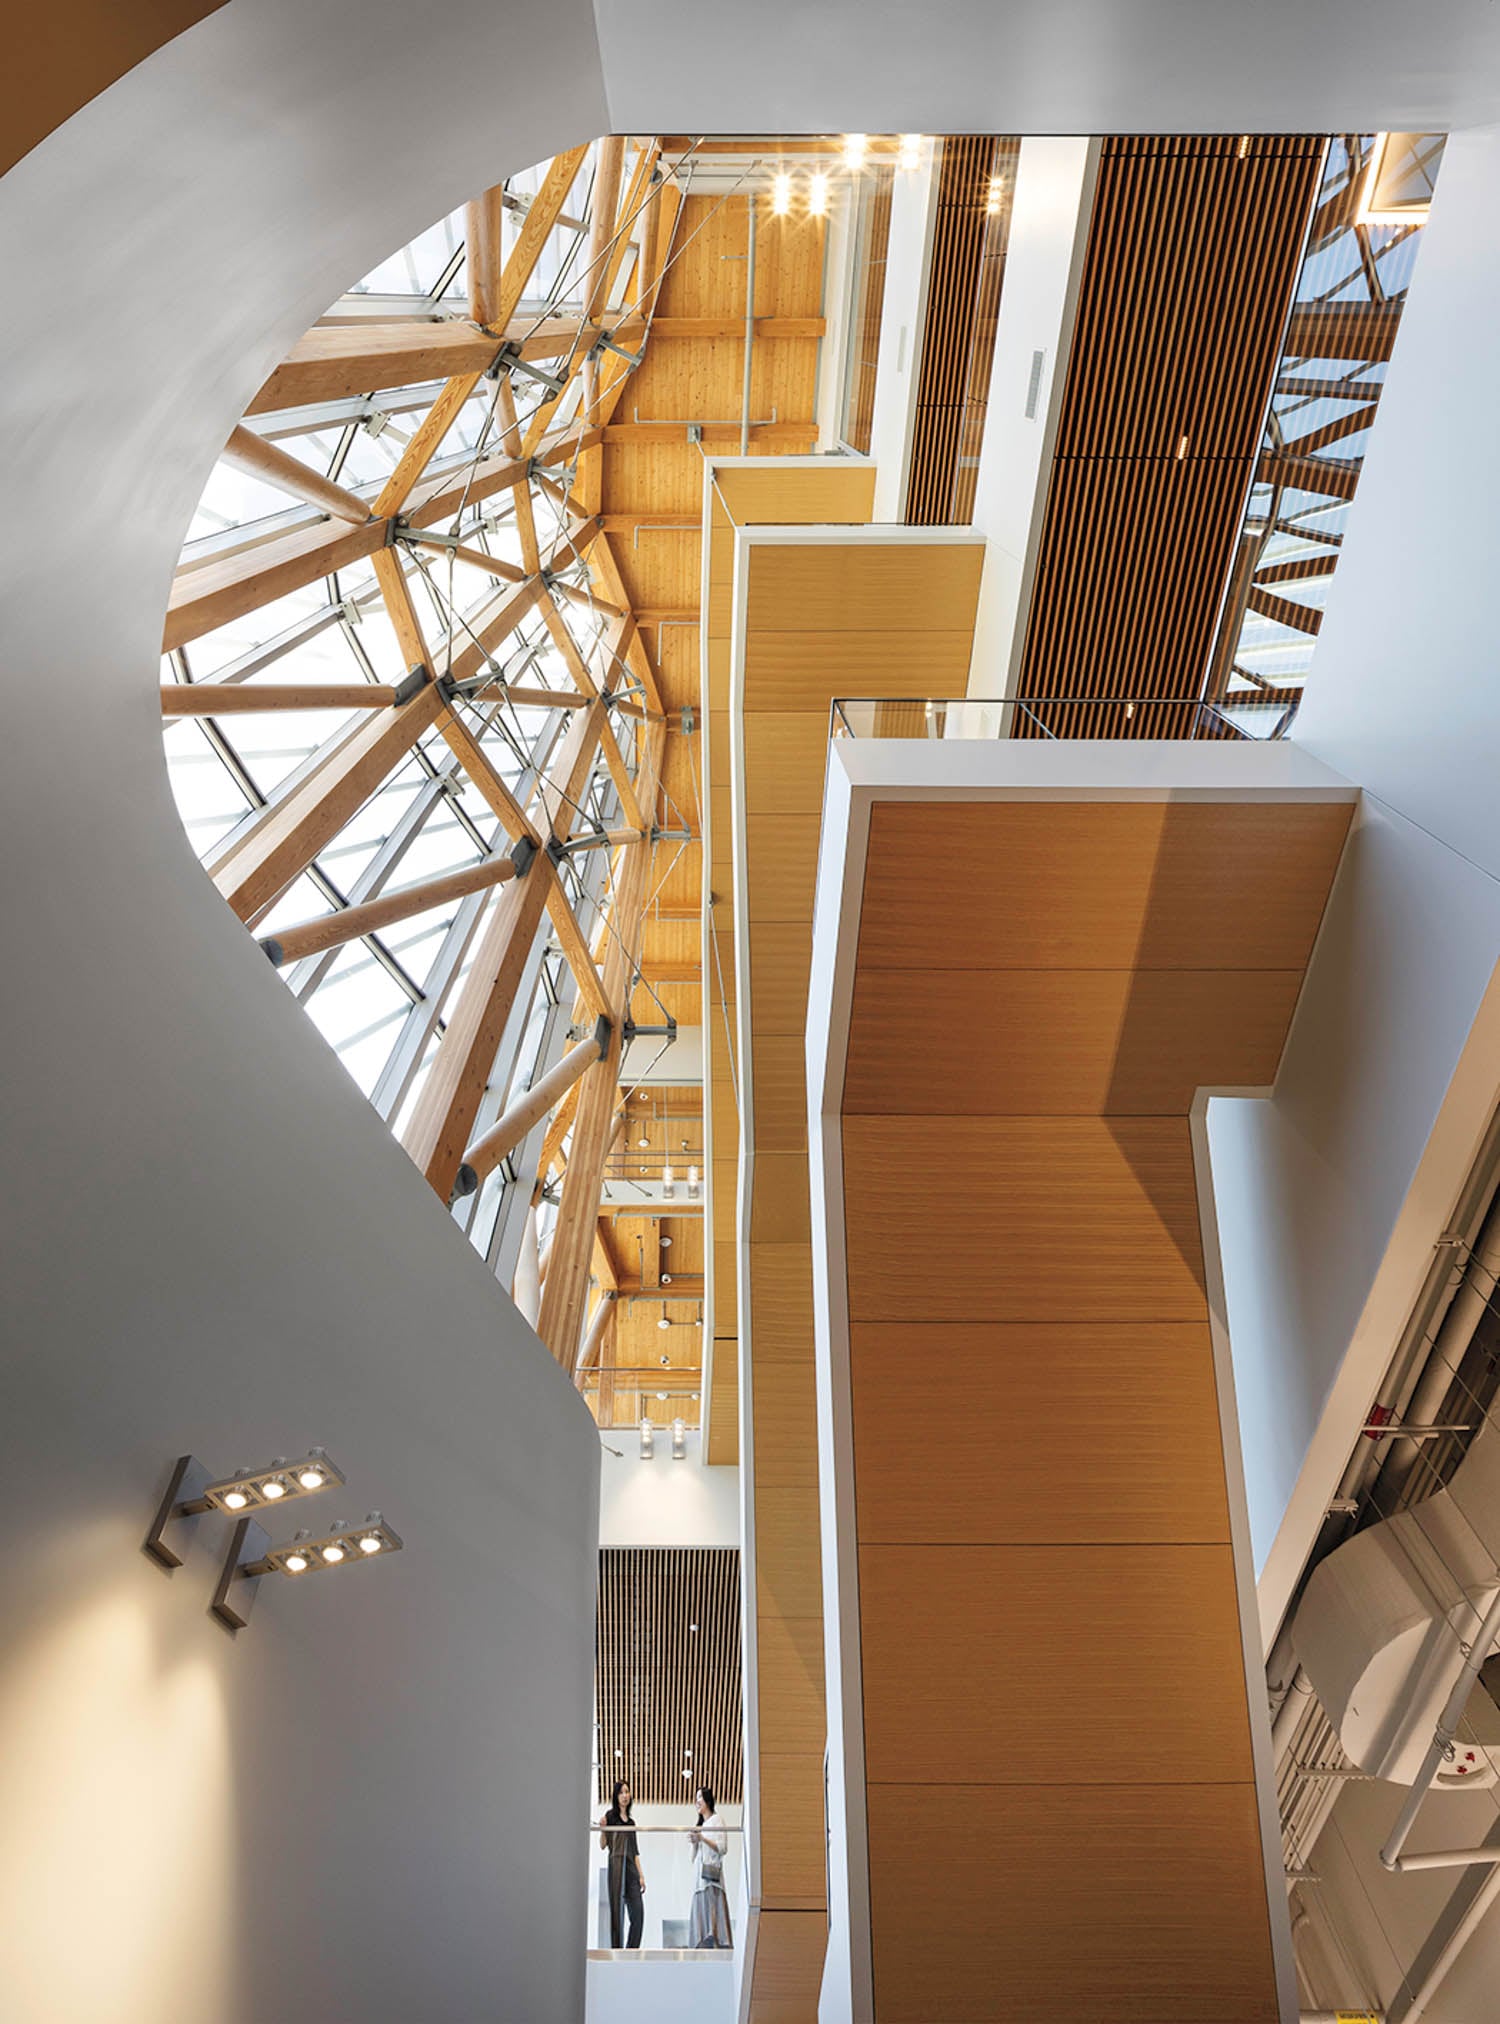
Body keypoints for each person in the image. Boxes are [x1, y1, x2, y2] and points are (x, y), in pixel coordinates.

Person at [600, 1777, 645, 1949]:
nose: (625, 1795)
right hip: (616, 1868)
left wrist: (641, 1875)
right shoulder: (610, 1816)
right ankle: (616, 1952)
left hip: (631, 1870)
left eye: (627, 1792)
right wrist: (603, 1829)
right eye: (621, 1792)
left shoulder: (632, 1823)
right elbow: (603, 1845)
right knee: (617, 1914)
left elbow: (635, 1852)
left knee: (638, 1916)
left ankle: (630, 1951)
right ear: (616, 1796)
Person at [686, 1784, 732, 1949]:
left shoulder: (717, 1820)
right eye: (696, 1798)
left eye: (699, 1797)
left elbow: (722, 1848)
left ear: (707, 1799)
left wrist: (702, 1838)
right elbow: (693, 1859)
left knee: (713, 1924)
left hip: (712, 1880)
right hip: (699, 1882)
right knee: (702, 1924)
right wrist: (694, 1842)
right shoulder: (700, 1826)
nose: (697, 1801)